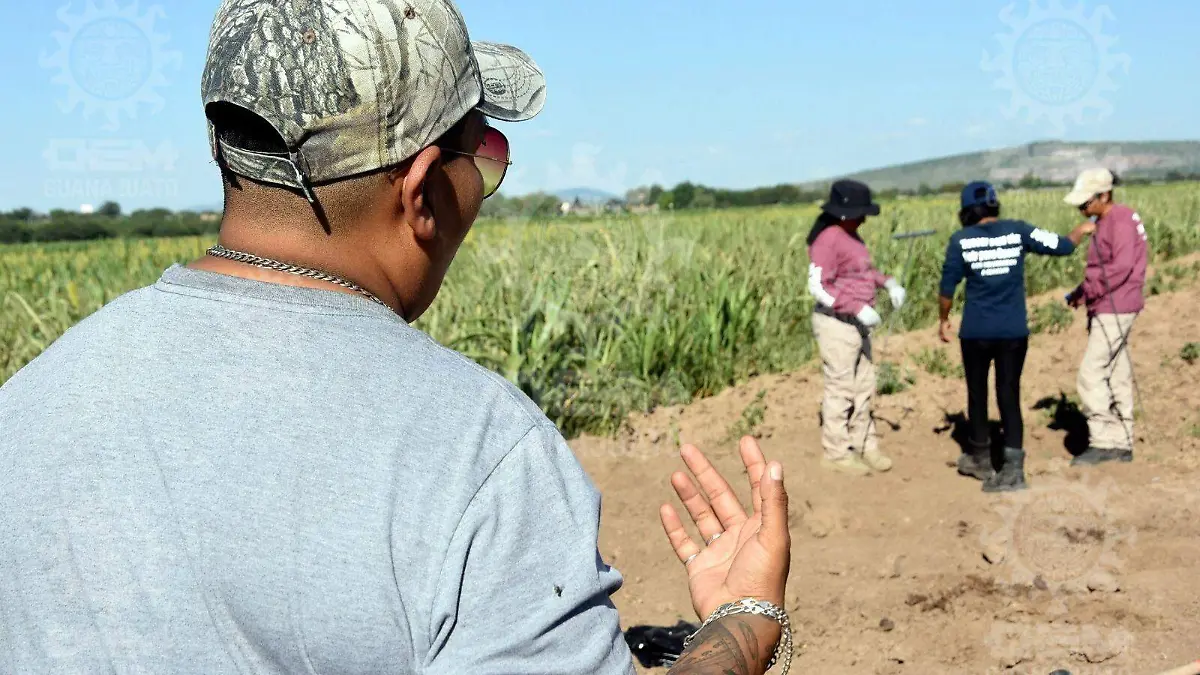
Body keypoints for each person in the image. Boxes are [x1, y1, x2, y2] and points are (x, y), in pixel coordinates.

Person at [0, 2, 793, 674]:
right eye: (484, 152)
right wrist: (742, 622)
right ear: (419, 191)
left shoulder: (27, 406)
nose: (482, 183)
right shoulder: (476, 455)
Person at [939, 181, 1095, 492]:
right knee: (1008, 393)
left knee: (977, 393)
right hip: (1012, 332)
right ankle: (1012, 469)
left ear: (967, 211)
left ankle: (980, 458)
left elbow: (947, 287)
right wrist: (1081, 230)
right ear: (995, 206)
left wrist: (943, 319)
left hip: (976, 333)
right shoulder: (1018, 231)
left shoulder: (960, 241)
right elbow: (1062, 246)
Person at [806, 179, 907, 476]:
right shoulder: (828, 239)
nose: (865, 217)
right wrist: (857, 308)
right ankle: (836, 453)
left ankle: (865, 444)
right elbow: (818, 286)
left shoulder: (853, 237)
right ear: (843, 213)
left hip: (857, 324)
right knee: (841, 388)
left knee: (864, 385)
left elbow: (862, 272)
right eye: (860, 212)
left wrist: (888, 282)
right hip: (837, 324)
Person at [1063, 168, 1149, 466]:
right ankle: (1122, 441)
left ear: (1104, 195)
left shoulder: (1120, 220)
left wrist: (1088, 291)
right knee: (1116, 370)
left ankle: (1104, 440)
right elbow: (1105, 267)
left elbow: (1119, 268)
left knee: (1090, 374)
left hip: (1116, 306)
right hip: (1111, 304)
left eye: (1085, 203)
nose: (1082, 209)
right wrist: (1080, 292)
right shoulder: (1108, 220)